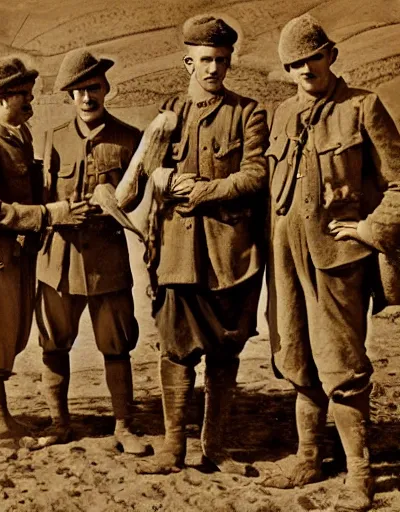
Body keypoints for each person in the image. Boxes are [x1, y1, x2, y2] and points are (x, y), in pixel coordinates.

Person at [264, 13, 400, 511]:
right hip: (286, 259)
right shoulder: (281, 114)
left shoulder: (363, 108)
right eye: (295, 64)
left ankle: (360, 476)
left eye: (313, 58)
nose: (305, 70)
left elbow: (399, 184)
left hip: (337, 262)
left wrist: (369, 230)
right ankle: (308, 457)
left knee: (341, 366)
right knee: (295, 358)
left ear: (332, 56)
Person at [135, 14, 269, 474]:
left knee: (224, 350)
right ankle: (173, 448)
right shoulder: (168, 111)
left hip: (229, 255)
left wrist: (205, 191)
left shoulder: (249, 112)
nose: (214, 69)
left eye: (222, 60)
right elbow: (144, 171)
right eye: (206, 60)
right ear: (187, 62)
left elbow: (255, 175)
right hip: (175, 253)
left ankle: (216, 447)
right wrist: (166, 177)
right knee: (175, 349)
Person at [35, 48, 146, 455]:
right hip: (58, 262)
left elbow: (138, 200)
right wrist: (58, 215)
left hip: (107, 263)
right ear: (68, 96)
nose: (87, 98)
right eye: (79, 91)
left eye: (94, 88)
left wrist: (113, 205)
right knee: (53, 343)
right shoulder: (52, 141)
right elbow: (41, 201)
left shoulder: (130, 139)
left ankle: (124, 426)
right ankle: (59, 422)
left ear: (107, 89)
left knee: (116, 345)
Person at [0, 56, 76, 442]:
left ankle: (5, 420)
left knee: (10, 337)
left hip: (16, 257)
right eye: (20, 96)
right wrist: (46, 213)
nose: (30, 102)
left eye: (29, 94)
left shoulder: (19, 139)